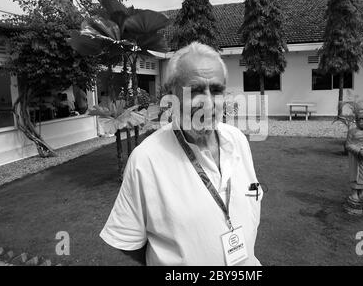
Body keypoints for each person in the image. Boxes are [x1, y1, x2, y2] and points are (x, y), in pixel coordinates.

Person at [100, 42, 263, 266]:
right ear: (171, 94)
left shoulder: (238, 141)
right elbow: (130, 244)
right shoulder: (146, 160)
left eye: (215, 90)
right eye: (195, 90)